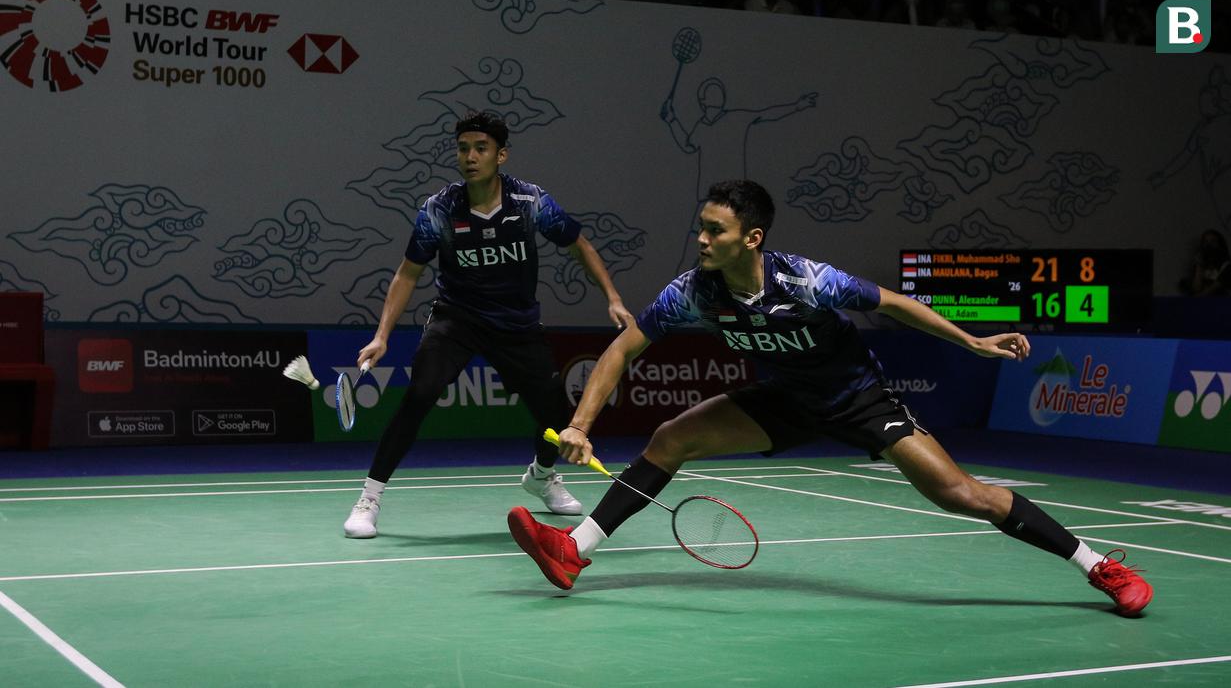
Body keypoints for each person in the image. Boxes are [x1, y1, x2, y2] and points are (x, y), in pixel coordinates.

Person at [506, 180, 1154, 617]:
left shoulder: (807, 282)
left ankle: (1098, 566)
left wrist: (972, 342)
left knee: (963, 494)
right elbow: (623, 350)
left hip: (859, 400)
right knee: (670, 437)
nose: (701, 240)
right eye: (700, 228)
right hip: (787, 398)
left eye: (715, 231)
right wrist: (581, 424)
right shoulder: (693, 292)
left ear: (751, 238)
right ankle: (573, 550)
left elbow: (894, 304)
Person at [343, 111, 635, 538]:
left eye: (481, 149)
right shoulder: (440, 209)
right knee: (420, 394)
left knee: (554, 412)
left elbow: (579, 245)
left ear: (501, 156)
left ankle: (541, 476)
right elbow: (408, 273)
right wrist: (381, 336)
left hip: (516, 324)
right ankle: (369, 498)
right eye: (463, 149)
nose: (470, 157)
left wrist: (613, 297)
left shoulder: (530, 202)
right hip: (457, 318)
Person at [1179, 228, 1231, 296]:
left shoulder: (1226, 265)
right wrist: (1199, 265)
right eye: (1206, 241)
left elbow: (1215, 288)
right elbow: (1196, 288)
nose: (1209, 245)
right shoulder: (1202, 264)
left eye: (1213, 241)